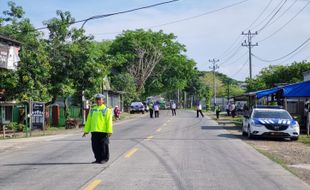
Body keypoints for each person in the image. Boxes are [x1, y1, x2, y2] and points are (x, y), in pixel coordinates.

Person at [82, 94, 113, 164]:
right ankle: (98, 159)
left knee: (103, 146)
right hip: (94, 131)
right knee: (95, 146)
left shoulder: (106, 110)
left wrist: (109, 131)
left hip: (103, 131)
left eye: (99, 99)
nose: (98, 101)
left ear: (103, 100)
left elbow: (109, 121)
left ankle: (104, 159)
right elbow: (89, 121)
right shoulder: (93, 110)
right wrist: (86, 131)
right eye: (97, 99)